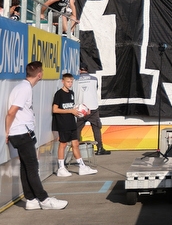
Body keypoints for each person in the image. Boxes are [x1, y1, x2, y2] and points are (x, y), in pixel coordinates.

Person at [5, 61, 67, 210]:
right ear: (39, 74)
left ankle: (31, 199)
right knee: (32, 167)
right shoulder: (24, 88)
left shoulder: (24, 87)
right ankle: (44, 200)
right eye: (43, 72)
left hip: (22, 133)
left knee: (26, 166)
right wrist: (7, 131)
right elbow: (11, 112)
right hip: (21, 133)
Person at [52, 73, 97, 177]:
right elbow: (55, 109)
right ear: (62, 81)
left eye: (71, 81)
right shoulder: (59, 94)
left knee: (75, 144)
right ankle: (61, 168)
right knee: (63, 144)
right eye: (68, 81)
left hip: (72, 122)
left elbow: (72, 108)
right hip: (63, 123)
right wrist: (70, 111)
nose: (70, 83)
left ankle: (82, 167)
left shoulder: (71, 93)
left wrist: (82, 111)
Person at [75, 65, 110, 155]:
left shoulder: (75, 80)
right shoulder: (94, 79)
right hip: (92, 107)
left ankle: (76, 150)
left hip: (81, 108)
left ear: (79, 70)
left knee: (77, 129)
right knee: (96, 128)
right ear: (87, 70)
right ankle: (99, 148)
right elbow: (95, 88)